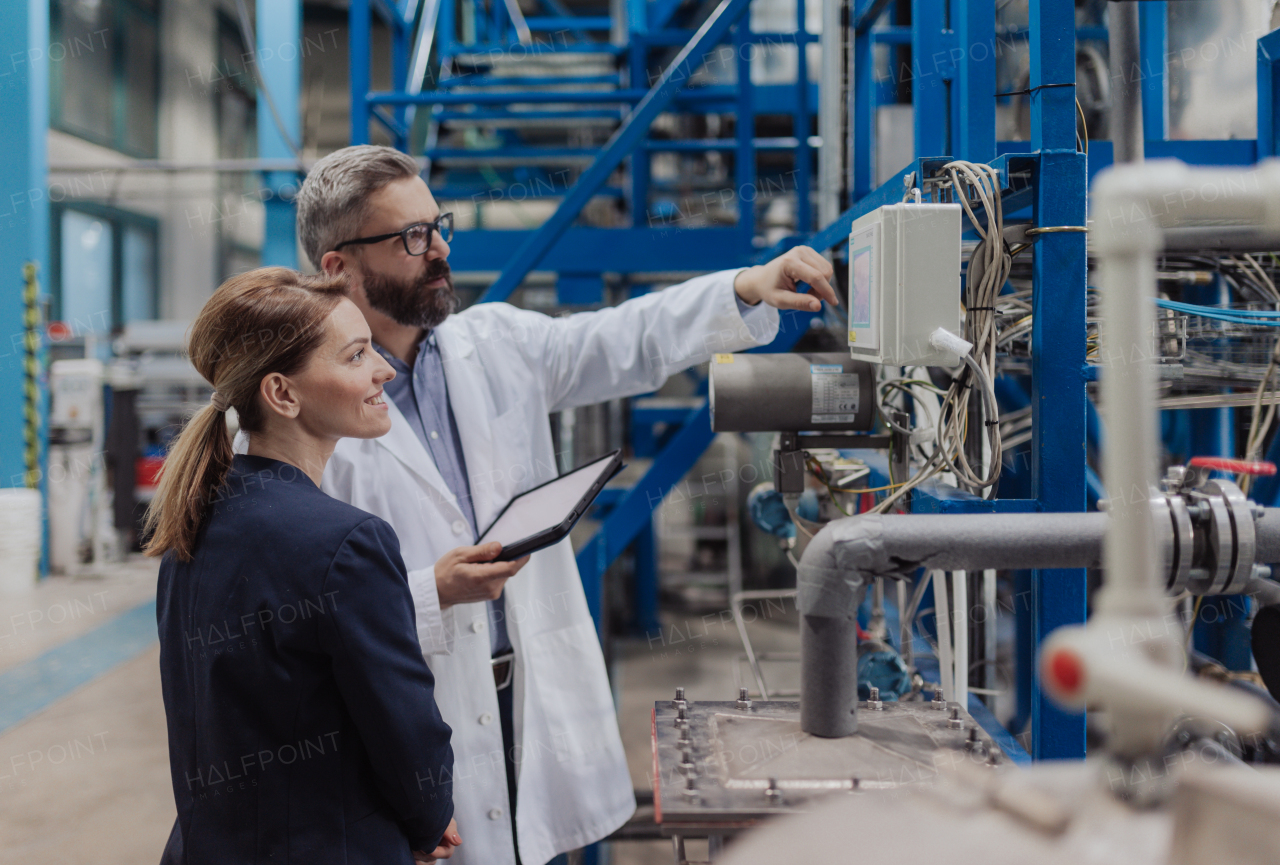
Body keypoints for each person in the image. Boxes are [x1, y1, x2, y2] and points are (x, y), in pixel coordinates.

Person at [297, 145, 839, 865]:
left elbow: (626, 339)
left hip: (530, 696)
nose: (440, 250)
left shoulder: (494, 344)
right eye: (413, 237)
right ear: (338, 266)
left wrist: (744, 286)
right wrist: (435, 590)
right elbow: (306, 602)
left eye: (439, 225)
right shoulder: (309, 409)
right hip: (420, 713)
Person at [147, 267, 469, 865]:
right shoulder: (347, 543)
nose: (385, 370)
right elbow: (407, 735)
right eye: (355, 356)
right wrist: (425, 823)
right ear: (283, 394)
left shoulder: (191, 521)